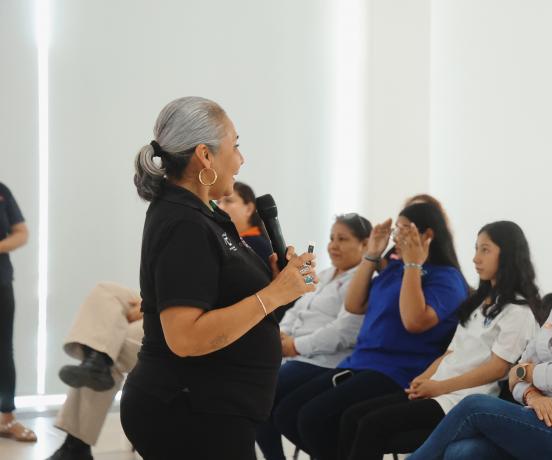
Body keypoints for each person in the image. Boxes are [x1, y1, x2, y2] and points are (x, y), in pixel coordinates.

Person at [119, 96, 317, 459]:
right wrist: (273, 294)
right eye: (235, 146)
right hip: (188, 412)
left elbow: (235, 307)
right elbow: (185, 337)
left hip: (213, 410)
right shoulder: (183, 222)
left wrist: (281, 286)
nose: (241, 160)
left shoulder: (204, 215)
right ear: (205, 156)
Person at [408, 237, 552, 460]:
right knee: (462, 452)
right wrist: (532, 394)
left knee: (473, 405)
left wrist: (529, 373)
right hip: (542, 417)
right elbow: (517, 372)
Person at [273, 202, 468, 460]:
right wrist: (373, 254)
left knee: (310, 415)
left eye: (404, 230)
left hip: (395, 370)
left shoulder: (445, 278)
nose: (396, 238)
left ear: (428, 235)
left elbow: (413, 321)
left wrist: (413, 265)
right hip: (358, 362)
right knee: (286, 412)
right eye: (396, 230)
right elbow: (349, 305)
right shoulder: (383, 269)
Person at [338, 221, 543, 459]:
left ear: (507, 255)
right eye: (476, 249)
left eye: (485, 250)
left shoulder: (519, 312)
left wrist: (439, 387)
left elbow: (498, 368)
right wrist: (423, 379)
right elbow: (451, 352)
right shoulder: (479, 302)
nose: (476, 258)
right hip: (437, 388)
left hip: (461, 400)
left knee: (371, 425)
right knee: (351, 416)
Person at [256, 213, 372, 460]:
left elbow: (345, 330)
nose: (333, 245)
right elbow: (298, 307)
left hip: (324, 360)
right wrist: (282, 334)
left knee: (261, 395)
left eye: (343, 239)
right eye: (332, 238)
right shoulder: (325, 274)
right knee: (258, 395)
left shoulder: (365, 281)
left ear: (365, 244)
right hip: (295, 354)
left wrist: (296, 346)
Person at [47, 282, 143, 460]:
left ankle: (75, 449)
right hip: (163, 303)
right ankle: (96, 363)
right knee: (106, 292)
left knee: (110, 345)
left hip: (184, 317)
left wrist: (153, 306)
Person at [0, 181, 35, 444]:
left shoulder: (2, 192)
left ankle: (6, 418)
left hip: (1, 282)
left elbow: (21, 233)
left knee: (3, 349)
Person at [217, 181, 273, 263]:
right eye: (218, 202)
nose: (220, 207)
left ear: (249, 209)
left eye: (229, 201)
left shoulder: (257, 245)